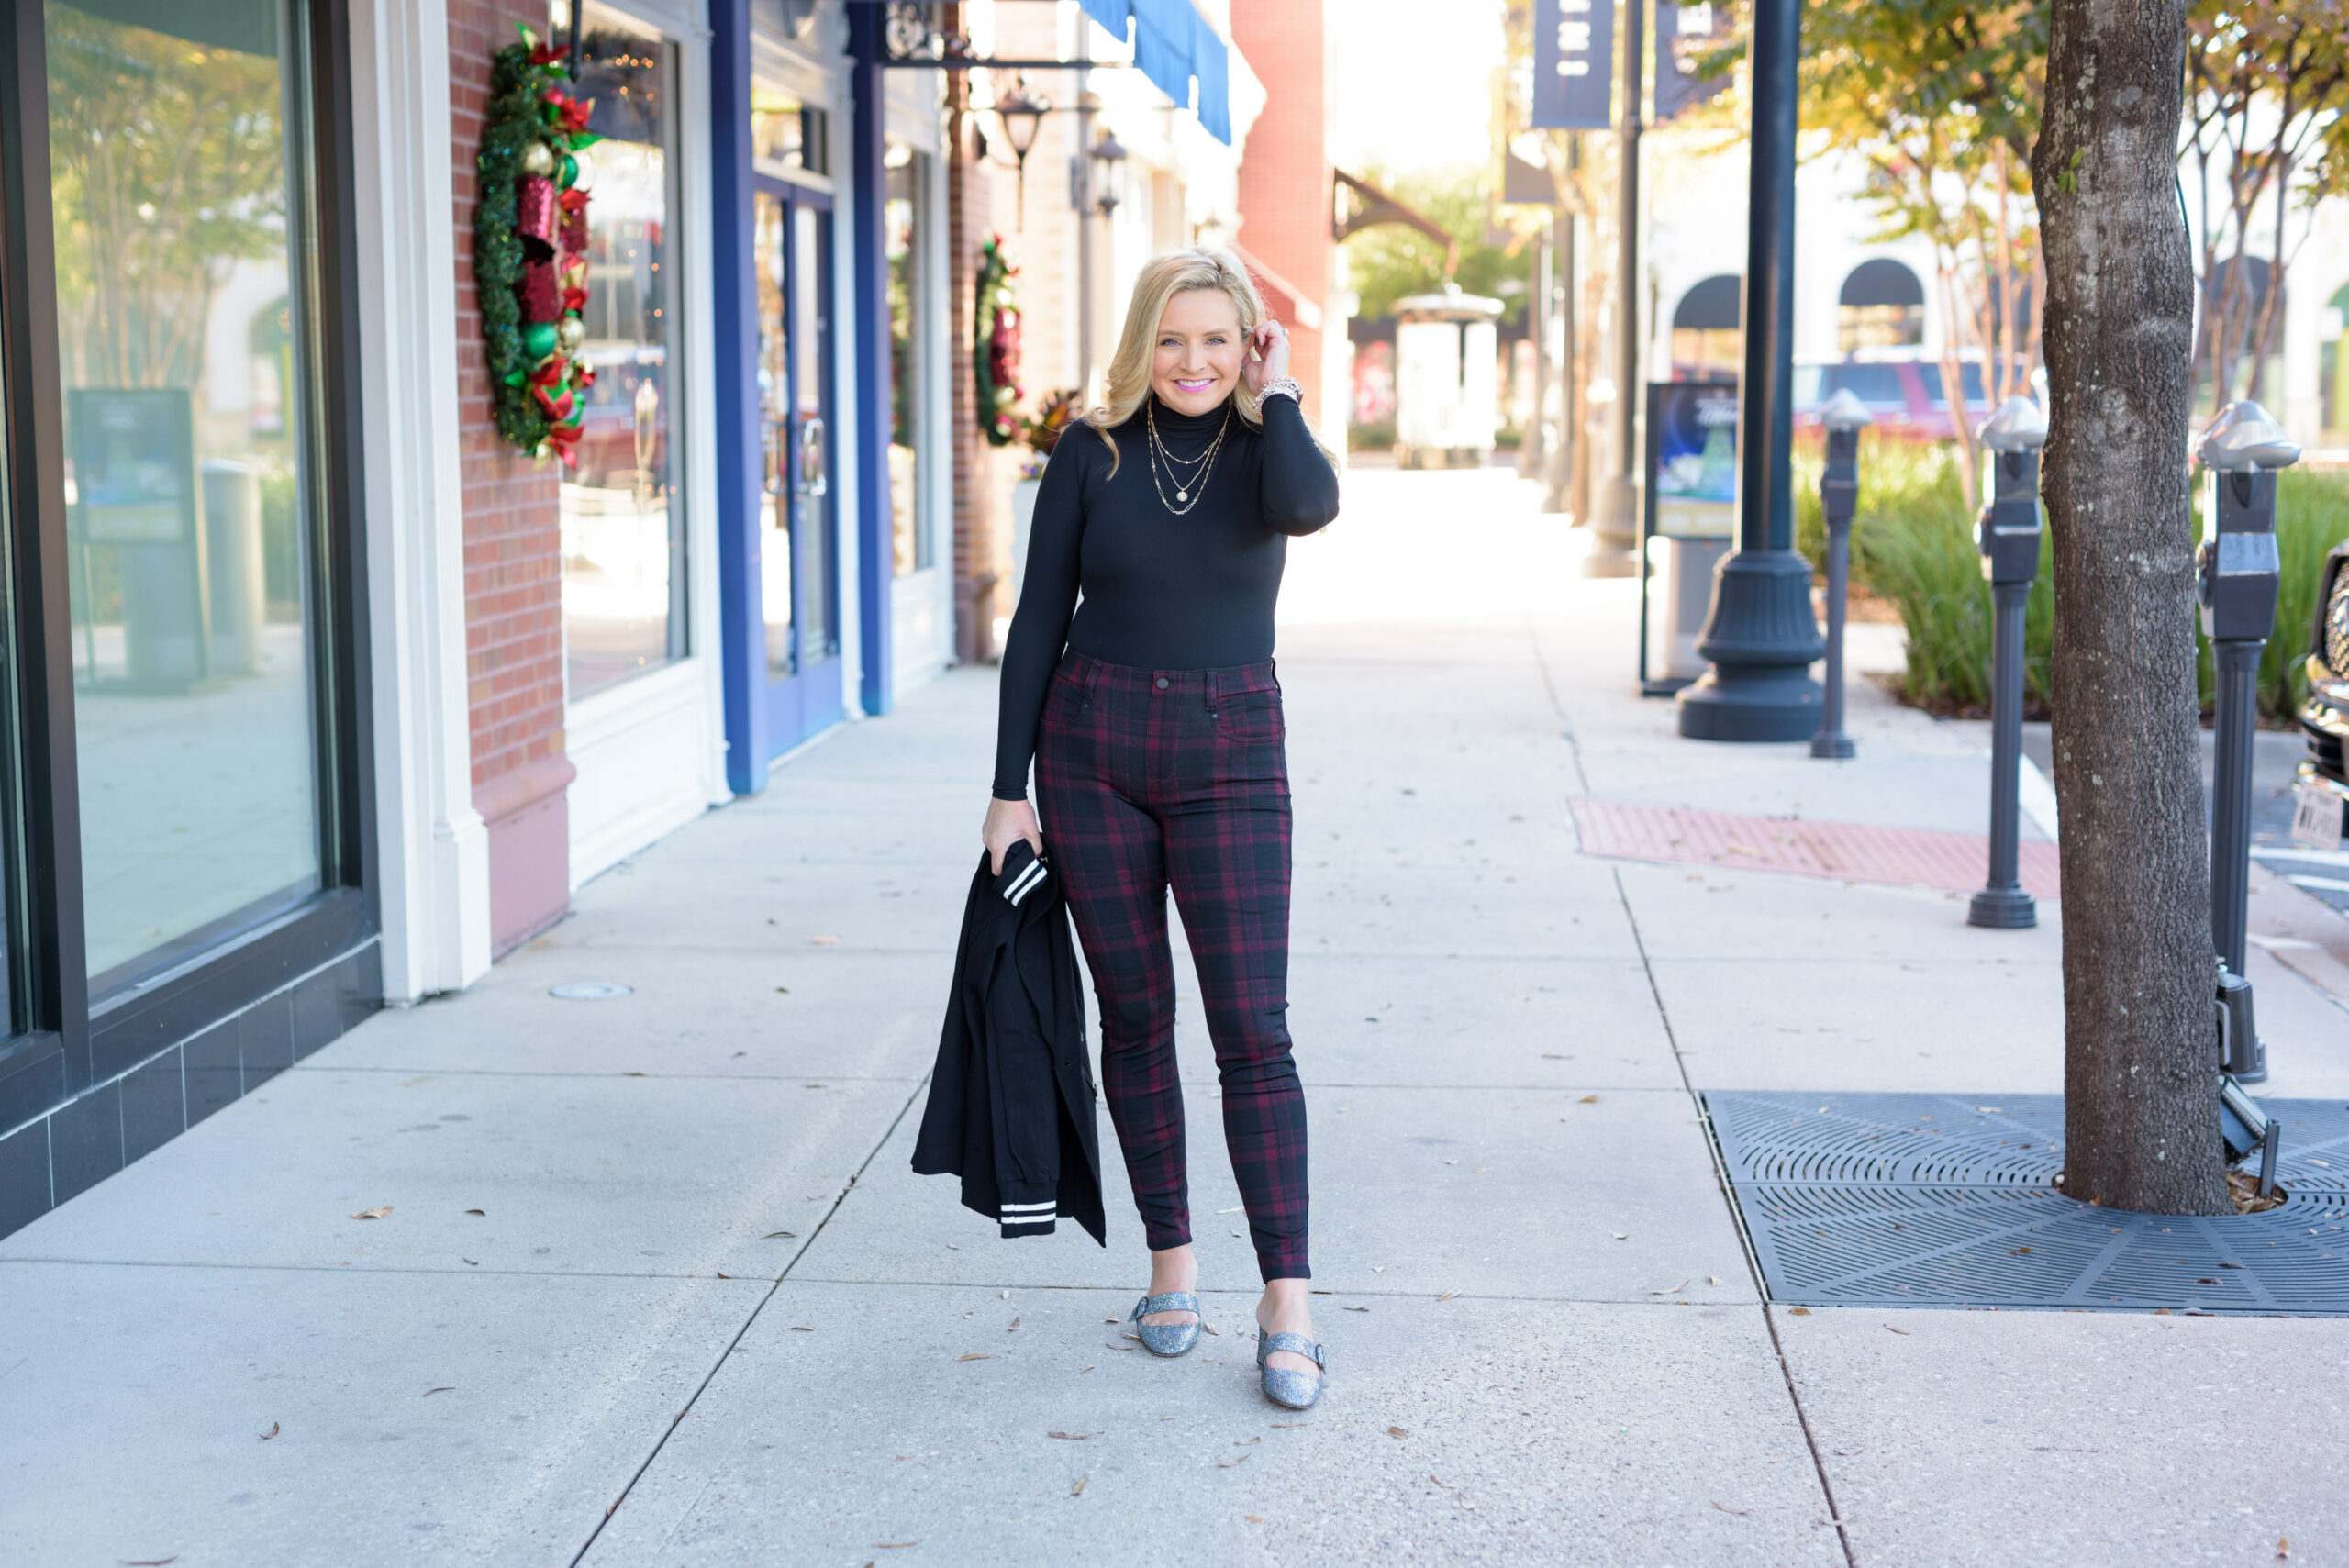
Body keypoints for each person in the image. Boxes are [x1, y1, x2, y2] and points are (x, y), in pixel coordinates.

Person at [983, 248, 1341, 1409]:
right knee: (1134, 1016)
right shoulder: (1088, 451)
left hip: (1231, 749)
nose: (1194, 361)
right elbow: (1040, 615)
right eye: (1173, 339)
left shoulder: (1266, 449)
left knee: (1253, 1029)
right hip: (1090, 750)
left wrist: (1279, 391)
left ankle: (1286, 1296)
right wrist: (1007, 788)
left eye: (1219, 339)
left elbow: (1311, 506)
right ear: (1143, 341)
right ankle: (1169, 1265)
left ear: (1249, 346)